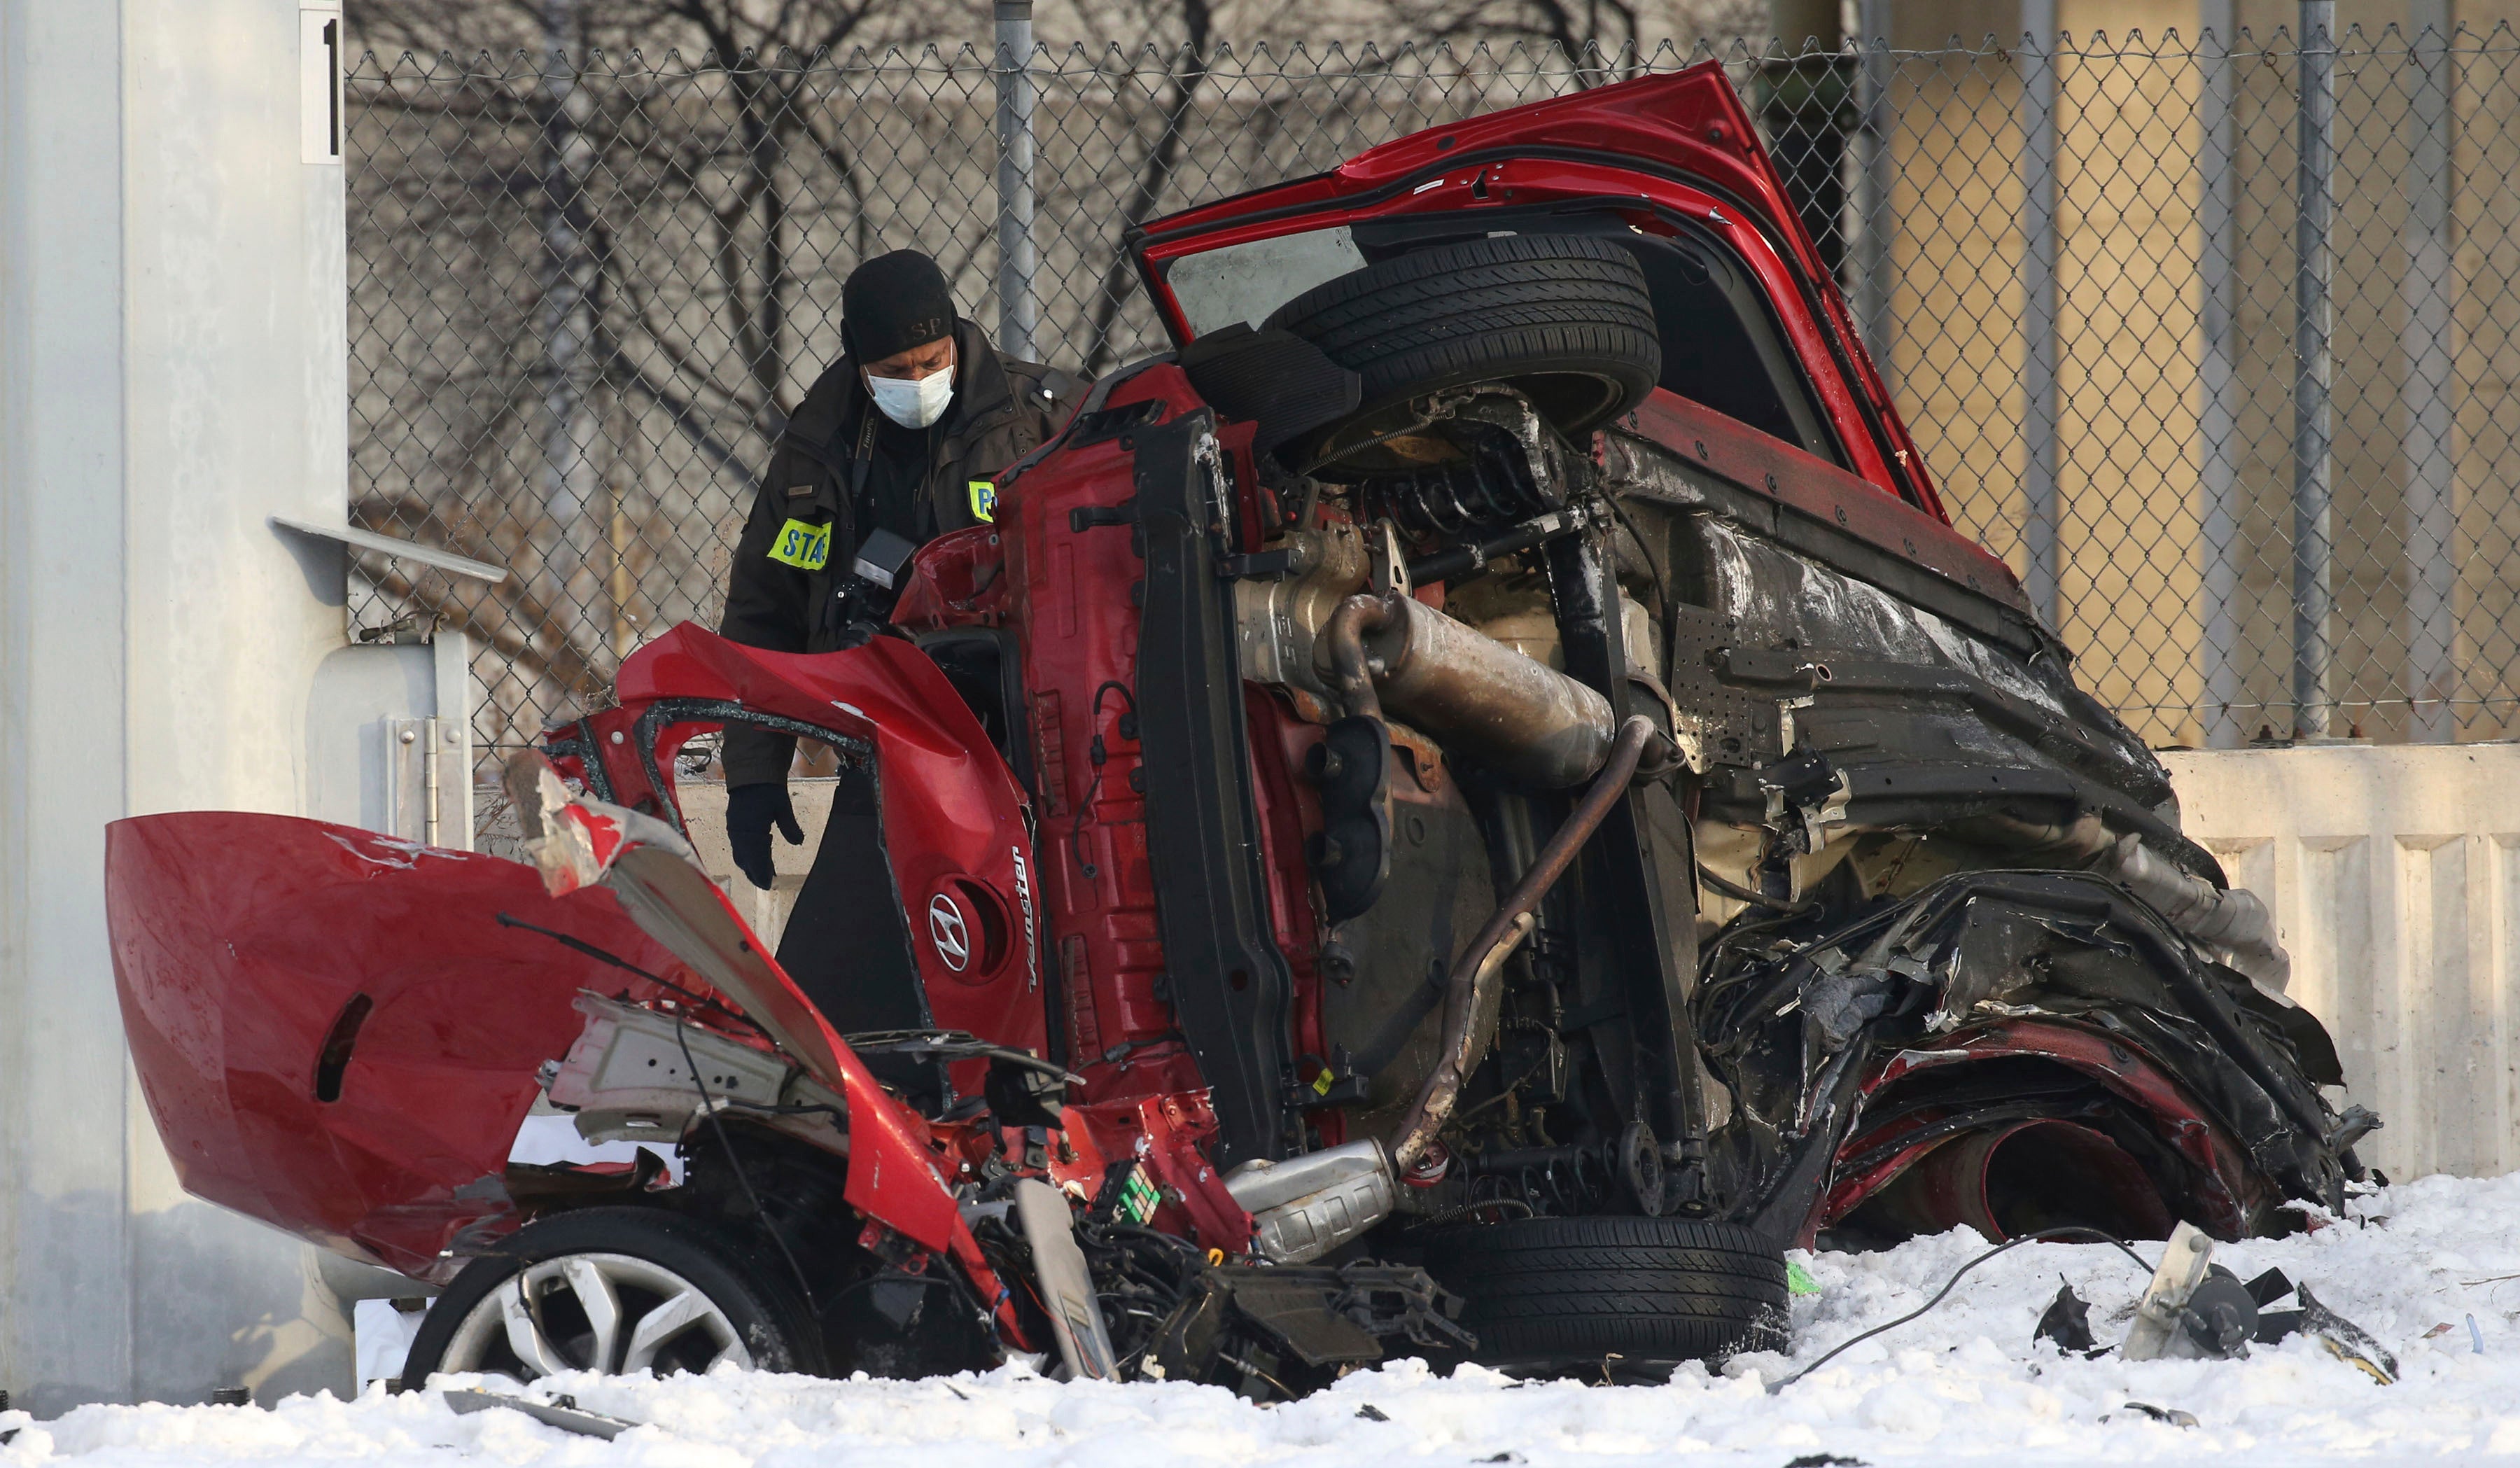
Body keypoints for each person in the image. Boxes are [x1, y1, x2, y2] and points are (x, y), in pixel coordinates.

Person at [717, 249, 1078, 895]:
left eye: (933, 361)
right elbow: (762, 615)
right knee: (844, 967)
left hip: (1034, 740)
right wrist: (754, 775)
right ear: (860, 366)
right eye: (895, 369)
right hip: (886, 744)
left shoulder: (1039, 421)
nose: (917, 380)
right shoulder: (815, 450)